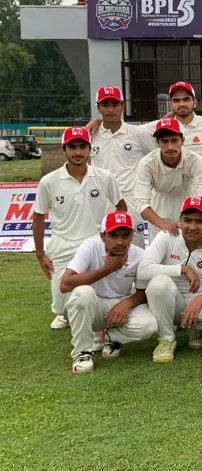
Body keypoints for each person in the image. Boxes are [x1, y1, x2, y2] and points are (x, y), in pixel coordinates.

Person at [33, 127, 124, 330]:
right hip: (63, 244)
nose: (78, 152)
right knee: (62, 306)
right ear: (64, 149)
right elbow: (38, 217)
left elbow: (121, 207)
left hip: (94, 243)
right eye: (72, 147)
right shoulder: (49, 181)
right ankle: (65, 314)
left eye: (83, 146)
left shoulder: (104, 176)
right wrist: (40, 254)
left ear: (90, 148)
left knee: (93, 295)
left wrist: (114, 240)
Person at [61, 211, 157, 374]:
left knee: (150, 325)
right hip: (93, 305)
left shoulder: (140, 254)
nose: (120, 242)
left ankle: (111, 337)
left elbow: (142, 291)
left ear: (132, 236)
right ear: (103, 236)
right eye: (114, 235)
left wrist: (126, 304)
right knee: (83, 293)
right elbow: (65, 284)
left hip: (120, 303)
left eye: (125, 236)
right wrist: (108, 268)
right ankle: (82, 352)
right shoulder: (90, 246)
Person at [139, 196, 202, 363]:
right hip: (171, 302)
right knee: (159, 283)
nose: (192, 227)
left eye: (199, 221)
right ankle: (166, 339)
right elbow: (143, 269)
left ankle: (196, 328)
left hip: (198, 303)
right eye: (187, 220)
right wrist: (182, 269)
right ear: (179, 220)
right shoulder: (167, 236)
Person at [134, 117, 202, 245]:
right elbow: (141, 203)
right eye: (164, 141)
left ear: (182, 140)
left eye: (174, 140)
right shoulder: (147, 164)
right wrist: (163, 224)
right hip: (158, 213)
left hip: (190, 211)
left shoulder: (194, 160)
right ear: (157, 142)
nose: (170, 146)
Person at [89, 85, 156, 216]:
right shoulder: (90, 135)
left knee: (134, 236)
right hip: (100, 198)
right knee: (100, 236)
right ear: (98, 107)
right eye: (105, 105)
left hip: (131, 198)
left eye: (115, 104)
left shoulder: (137, 133)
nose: (110, 110)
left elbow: (159, 153)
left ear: (123, 106)